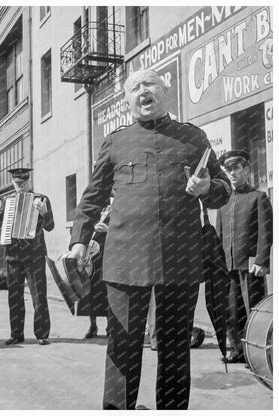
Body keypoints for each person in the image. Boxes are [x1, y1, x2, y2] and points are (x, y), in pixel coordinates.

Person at [68, 69, 231, 410]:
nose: (143, 91)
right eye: (134, 88)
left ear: (164, 91)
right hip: (125, 260)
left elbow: (224, 188)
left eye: (150, 84)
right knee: (122, 348)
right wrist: (79, 240)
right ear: (127, 101)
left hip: (180, 260)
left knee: (174, 350)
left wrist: (208, 188)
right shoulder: (116, 141)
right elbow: (92, 196)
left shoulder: (194, 137)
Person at [217, 150, 273, 364]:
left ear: (246, 170)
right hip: (229, 265)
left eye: (236, 169)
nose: (232, 173)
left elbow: (266, 231)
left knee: (254, 310)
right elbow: (220, 234)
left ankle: (257, 355)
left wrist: (261, 260)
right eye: (228, 170)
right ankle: (237, 350)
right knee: (231, 311)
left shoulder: (257, 197)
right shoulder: (224, 201)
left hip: (250, 266)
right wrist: (219, 262)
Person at [0, 168, 54, 346]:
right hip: (13, 256)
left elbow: (50, 226)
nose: (21, 186)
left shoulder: (42, 199)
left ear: (29, 181)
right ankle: (16, 334)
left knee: (39, 296)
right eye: (18, 183)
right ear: (13, 183)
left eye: (24, 183)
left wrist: (43, 213)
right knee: (15, 297)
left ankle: (42, 334)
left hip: (35, 255)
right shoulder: (8, 200)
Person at [76, 198, 112, 339]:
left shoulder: (117, 210)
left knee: (106, 291)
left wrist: (108, 229)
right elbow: (80, 226)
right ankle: (93, 326)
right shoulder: (93, 212)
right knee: (90, 291)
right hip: (90, 258)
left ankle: (110, 327)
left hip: (106, 255)